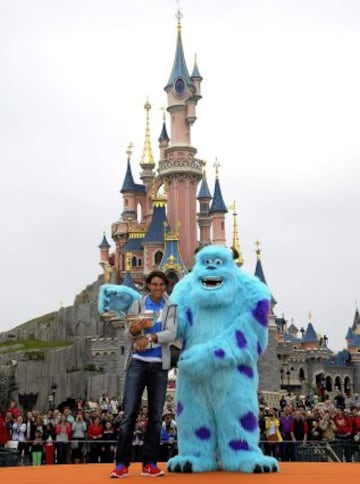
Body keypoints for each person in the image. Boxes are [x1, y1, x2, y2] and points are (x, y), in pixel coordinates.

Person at [110, 271, 177, 478]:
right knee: (129, 415)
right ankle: (122, 464)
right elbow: (127, 334)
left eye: (161, 285)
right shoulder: (138, 304)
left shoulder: (171, 307)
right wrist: (134, 330)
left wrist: (150, 339)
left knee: (155, 417)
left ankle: (149, 463)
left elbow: (171, 333)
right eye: (154, 284)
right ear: (148, 285)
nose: (157, 288)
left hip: (159, 366)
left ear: (165, 286)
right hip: (137, 365)